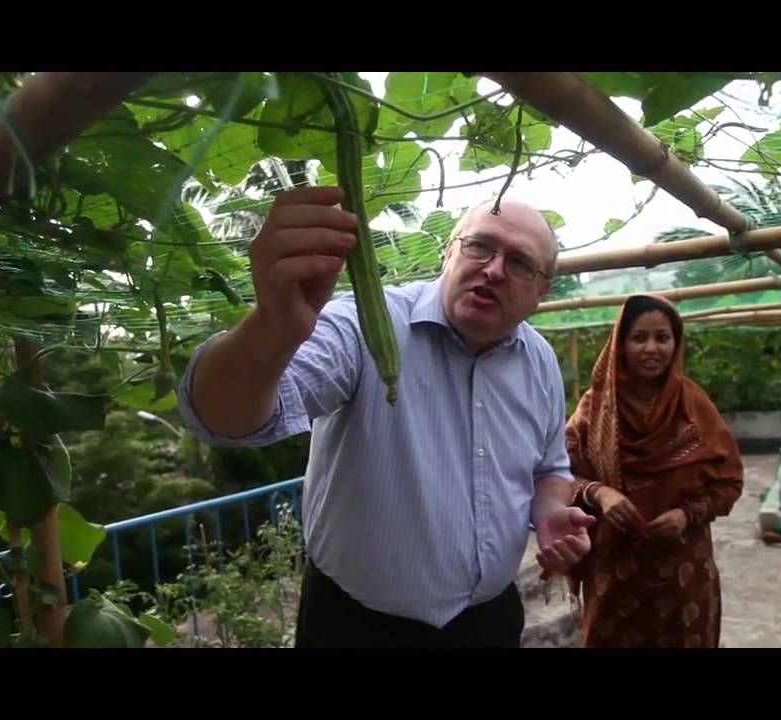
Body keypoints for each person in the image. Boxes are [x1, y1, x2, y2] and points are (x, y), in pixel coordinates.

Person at [176, 185, 594, 648]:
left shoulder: (539, 361)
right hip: (356, 628)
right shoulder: (362, 323)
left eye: (519, 262)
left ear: (541, 289)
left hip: (488, 621)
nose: (493, 269)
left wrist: (550, 511)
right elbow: (226, 418)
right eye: (479, 245)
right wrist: (272, 325)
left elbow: (549, 467)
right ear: (448, 253)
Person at [564, 294, 743, 648]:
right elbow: (559, 476)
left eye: (662, 338)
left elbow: (729, 482)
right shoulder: (594, 409)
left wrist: (686, 515)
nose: (651, 348)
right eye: (639, 337)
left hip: (683, 571)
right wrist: (600, 493)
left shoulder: (694, 407)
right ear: (621, 343)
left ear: (676, 344)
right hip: (613, 572)